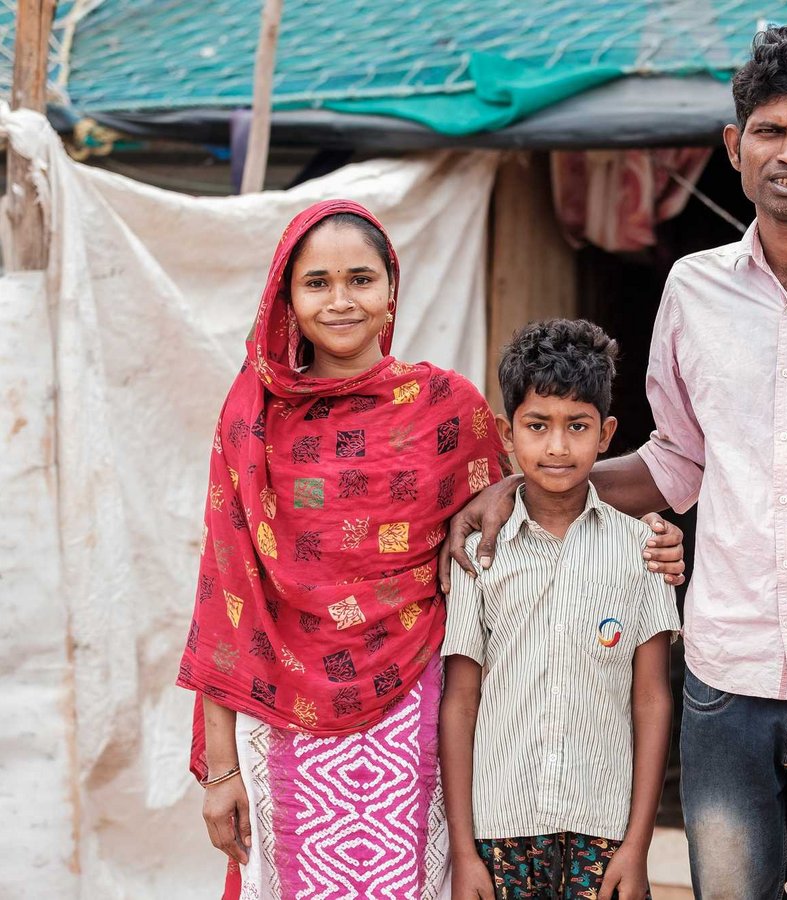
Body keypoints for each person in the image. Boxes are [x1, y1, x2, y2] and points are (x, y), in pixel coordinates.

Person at [447, 28, 787, 899]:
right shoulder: (694, 291)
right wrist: (521, 485)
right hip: (725, 680)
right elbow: (676, 464)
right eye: (770, 130)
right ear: (735, 147)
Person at [175, 201, 685, 899]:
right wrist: (222, 770)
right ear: (287, 298)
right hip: (282, 723)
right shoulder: (252, 418)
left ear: (391, 289)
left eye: (360, 279)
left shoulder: (445, 408)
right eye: (317, 283)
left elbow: (535, 496)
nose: (341, 300)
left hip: (414, 714)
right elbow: (225, 594)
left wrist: (647, 539)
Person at [440, 319, 680, 900]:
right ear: (507, 433)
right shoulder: (480, 556)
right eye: (537, 425)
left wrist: (637, 846)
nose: (556, 447)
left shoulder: (641, 550)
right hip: (501, 828)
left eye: (577, 426)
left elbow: (651, 699)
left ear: (606, 433)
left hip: (604, 829)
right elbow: (461, 702)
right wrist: (464, 852)